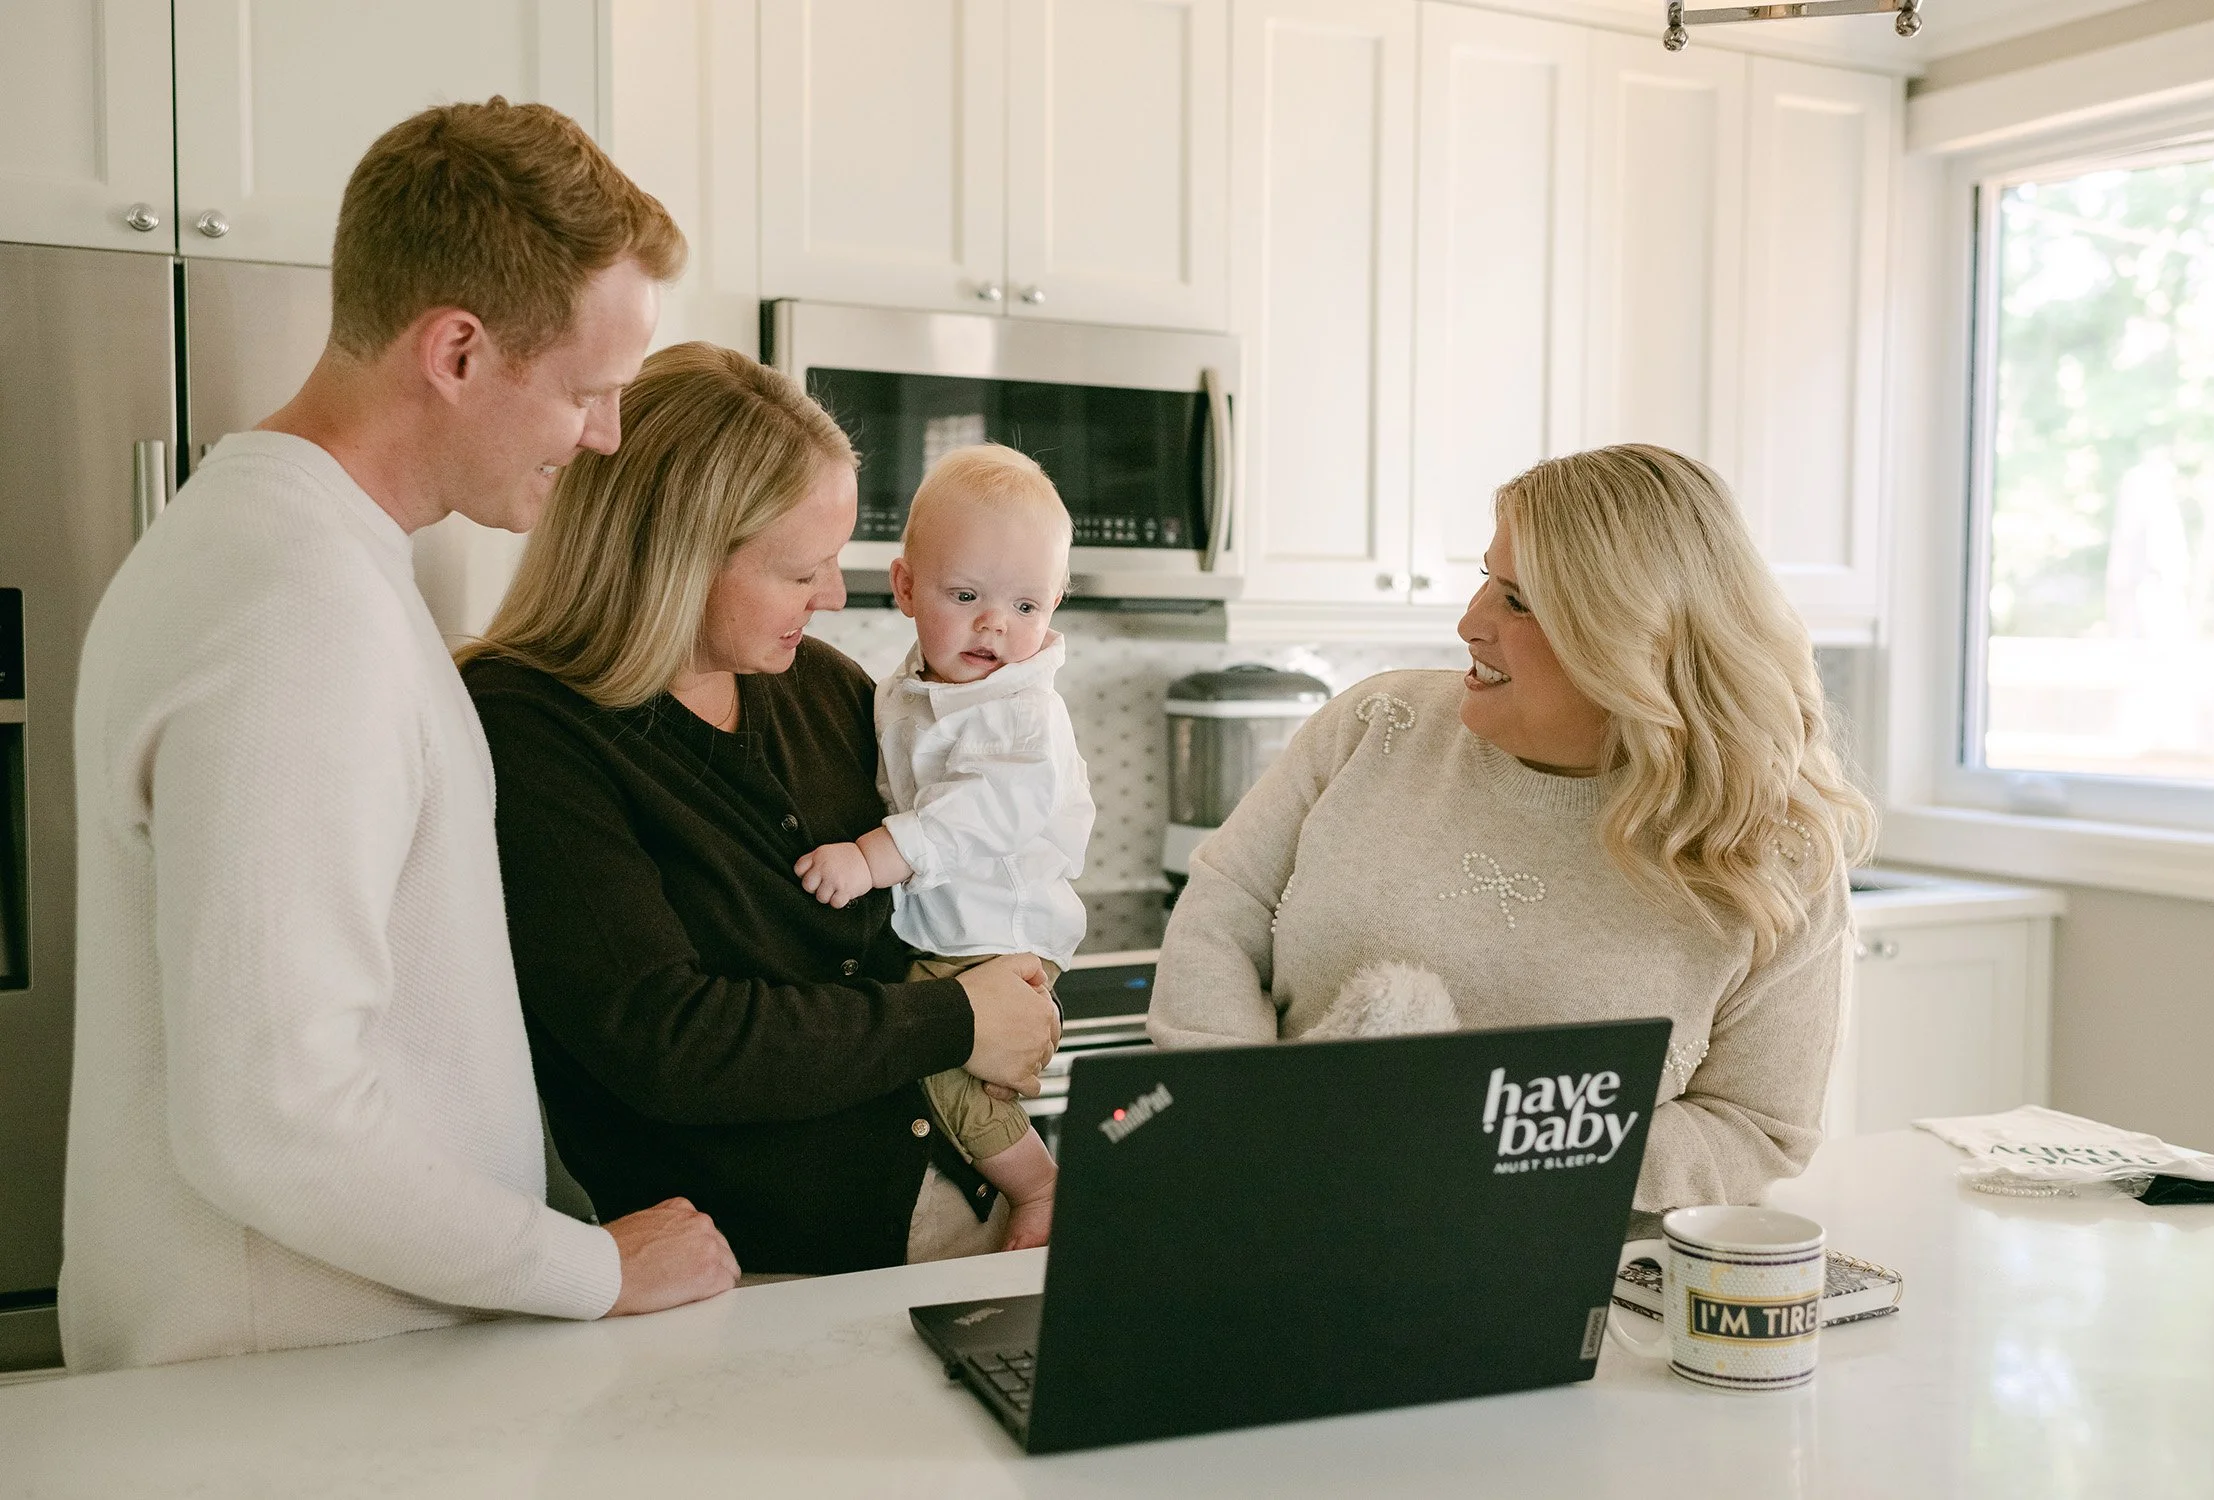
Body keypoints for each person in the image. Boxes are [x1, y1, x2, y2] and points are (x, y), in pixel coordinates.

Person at [64, 100, 739, 1373]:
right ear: (460, 351)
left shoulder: (295, 553)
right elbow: (274, 1117)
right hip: (297, 1403)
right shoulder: (296, 607)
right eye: (589, 392)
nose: (603, 436)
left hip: (330, 1377)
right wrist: (593, 1268)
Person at [458, 346, 1062, 1276]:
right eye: (800, 569)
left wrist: (1008, 981)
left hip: (956, 1210)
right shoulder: (532, 729)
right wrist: (956, 1019)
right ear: (675, 556)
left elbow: (926, 885)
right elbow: (668, 1039)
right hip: (751, 1274)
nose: (835, 596)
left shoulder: (818, 684)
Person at [1150, 445, 1876, 1212]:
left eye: (1520, 602)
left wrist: (1478, 1156)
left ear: (1633, 641)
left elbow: (1758, 1129)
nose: (1470, 622)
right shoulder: (1374, 725)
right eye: (1486, 580)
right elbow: (1221, 911)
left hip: (1580, 1286)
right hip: (1283, 1212)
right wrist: (1240, 1125)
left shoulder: (1776, 856)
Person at [795, 445, 1095, 1251]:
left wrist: (871, 858)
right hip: (947, 929)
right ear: (905, 588)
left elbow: (981, 812)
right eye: (966, 595)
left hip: (1002, 935)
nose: (996, 624)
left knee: (950, 1078)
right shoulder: (904, 689)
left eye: (1027, 606)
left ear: (1055, 603)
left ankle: (1039, 1190)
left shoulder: (1024, 712)